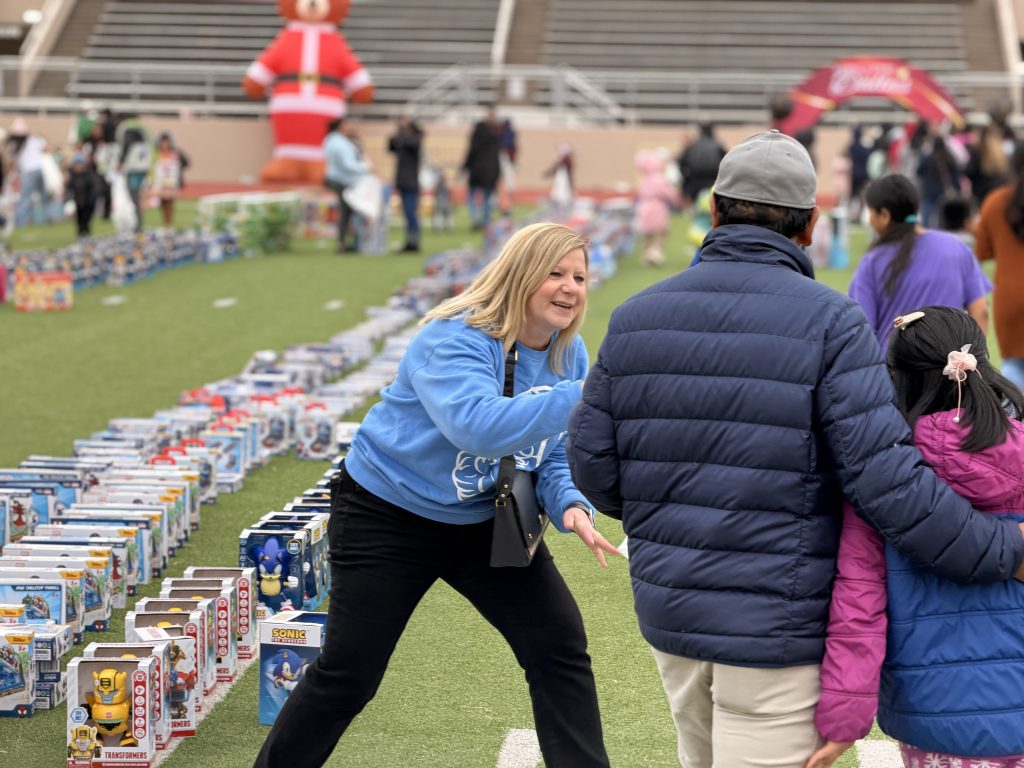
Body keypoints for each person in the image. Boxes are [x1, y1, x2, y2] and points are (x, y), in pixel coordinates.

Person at [567, 129, 1024, 768]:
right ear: (809, 227)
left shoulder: (636, 314)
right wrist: (1006, 548)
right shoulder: (832, 322)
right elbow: (889, 486)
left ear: (716, 211)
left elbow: (591, 464)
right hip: (779, 619)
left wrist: (670, 507)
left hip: (671, 605)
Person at [254, 222, 620, 768]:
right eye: (554, 273)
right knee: (349, 675)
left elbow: (550, 453)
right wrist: (584, 394)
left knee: (559, 647)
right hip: (387, 514)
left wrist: (571, 504)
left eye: (580, 277)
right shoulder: (453, 335)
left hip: (481, 521)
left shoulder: (571, 356)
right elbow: (478, 427)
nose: (570, 287)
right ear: (520, 275)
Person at [819, 305, 1024, 768]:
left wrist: (842, 720)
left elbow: (859, 605)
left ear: (897, 378)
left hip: (935, 710)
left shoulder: (879, 477)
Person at [848, 174, 990, 352]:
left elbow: (863, 330)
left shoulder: (872, 261)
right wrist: (975, 361)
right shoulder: (956, 248)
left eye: (871, 213)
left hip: (893, 372)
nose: (869, 221)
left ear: (884, 215)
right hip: (951, 371)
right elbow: (980, 311)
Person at [975, 142, 1024, 390]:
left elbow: (981, 251)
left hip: (1010, 302)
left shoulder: (996, 202)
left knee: (1013, 368)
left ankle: (1011, 424)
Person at [322, 117, 366, 254]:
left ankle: (345, 242)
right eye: (347, 125)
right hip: (343, 181)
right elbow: (348, 165)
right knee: (350, 212)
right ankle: (352, 242)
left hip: (341, 180)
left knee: (346, 213)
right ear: (340, 126)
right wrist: (367, 167)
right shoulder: (338, 143)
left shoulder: (333, 140)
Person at [387, 115, 423, 253]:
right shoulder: (402, 138)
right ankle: (410, 241)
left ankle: (414, 241)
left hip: (411, 181)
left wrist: (401, 134)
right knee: (407, 213)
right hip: (403, 180)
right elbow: (391, 147)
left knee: (411, 212)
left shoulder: (415, 138)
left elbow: (411, 144)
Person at [462, 106, 501, 231]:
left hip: (477, 171)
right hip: (490, 173)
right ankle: (485, 222)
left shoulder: (479, 131)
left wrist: (465, 166)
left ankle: (476, 219)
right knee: (486, 199)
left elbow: (472, 151)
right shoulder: (495, 133)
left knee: (471, 196)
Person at [677, 123, 725, 206]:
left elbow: (680, 161)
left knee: (697, 207)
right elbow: (726, 161)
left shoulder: (692, 145)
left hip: (695, 182)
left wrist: (687, 178)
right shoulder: (718, 145)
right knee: (712, 206)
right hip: (712, 182)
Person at [150, 133, 183, 229]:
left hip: (171, 184)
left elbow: (179, 167)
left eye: (166, 143)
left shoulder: (174, 155)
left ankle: (169, 225)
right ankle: (165, 224)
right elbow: (154, 169)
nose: (164, 145)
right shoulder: (157, 155)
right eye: (163, 143)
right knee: (162, 205)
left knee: (170, 205)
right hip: (161, 184)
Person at [65, 152, 99, 238]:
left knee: (86, 220)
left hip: (88, 202)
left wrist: (93, 198)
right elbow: (69, 189)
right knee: (79, 221)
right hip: (78, 202)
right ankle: (80, 235)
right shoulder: (72, 176)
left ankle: (87, 235)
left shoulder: (89, 174)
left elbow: (95, 187)